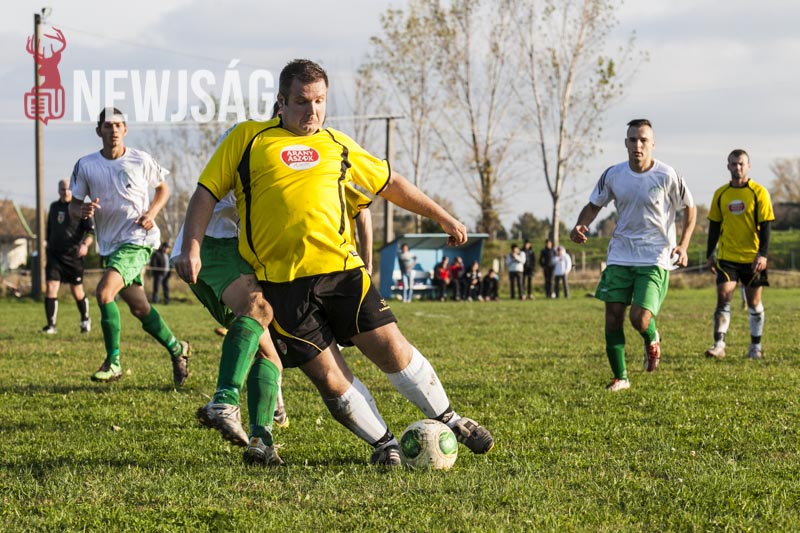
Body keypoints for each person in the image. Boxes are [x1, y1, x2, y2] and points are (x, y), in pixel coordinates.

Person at [176, 59, 493, 466]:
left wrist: (442, 216)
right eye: (302, 101)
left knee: (392, 348)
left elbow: (390, 183)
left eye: (320, 101)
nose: (312, 111)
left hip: (343, 272)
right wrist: (192, 246)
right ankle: (385, 445)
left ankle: (451, 419)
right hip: (283, 285)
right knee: (330, 376)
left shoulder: (337, 143)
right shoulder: (247, 138)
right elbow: (205, 192)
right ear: (281, 102)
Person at [570, 118, 696, 392]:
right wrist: (581, 225)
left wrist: (683, 245)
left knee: (639, 318)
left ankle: (651, 337)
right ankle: (621, 377)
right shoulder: (613, 174)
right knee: (613, 316)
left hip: (655, 257)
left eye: (643, 140)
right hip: (620, 255)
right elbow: (593, 206)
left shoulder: (667, 175)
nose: (637, 145)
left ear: (652, 144)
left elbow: (690, 208)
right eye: (632, 139)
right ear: (626, 143)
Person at [69, 107, 190, 385]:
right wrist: (82, 210)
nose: (113, 130)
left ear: (125, 129)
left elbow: (163, 189)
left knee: (104, 293)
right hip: (110, 246)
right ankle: (178, 349)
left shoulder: (140, 159)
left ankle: (113, 362)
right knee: (140, 308)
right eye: (108, 126)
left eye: (118, 125)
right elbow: (74, 206)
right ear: (98, 130)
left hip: (138, 240)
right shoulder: (85, 165)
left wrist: (151, 213)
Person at [704, 149, 775, 360]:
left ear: (748, 166)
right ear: (728, 166)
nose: (738, 167)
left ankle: (755, 346)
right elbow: (714, 227)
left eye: (741, 163)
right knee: (723, 299)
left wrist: (763, 254)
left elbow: (766, 225)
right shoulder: (721, 194)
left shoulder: (759, 192)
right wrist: (710, 254)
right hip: (727, 258)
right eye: (734, 164)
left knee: (754, 303)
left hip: (753, 259)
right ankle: (719, 345)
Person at [42, 179, 94, 334]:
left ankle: (85, 319)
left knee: (77, 291)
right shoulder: (54, 207)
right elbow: (49, 229)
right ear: (58, 191)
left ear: (73, 190)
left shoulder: (80, 208)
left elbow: (91, 232)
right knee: (51, 287)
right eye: (62, 189)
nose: (65, 192)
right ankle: (51, 325)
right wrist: (47, 244)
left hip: (73, 256)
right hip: (54, 255)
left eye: (67, 189)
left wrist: (85, 245)